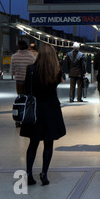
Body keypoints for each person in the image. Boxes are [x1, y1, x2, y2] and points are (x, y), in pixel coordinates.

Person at [20, 44, 66, 186]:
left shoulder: (31, 69)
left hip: (35, 109)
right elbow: (56, 84)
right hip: (51, 108)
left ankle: (28, 174)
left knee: (33, 143)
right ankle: (44, 174)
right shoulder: (56, 70)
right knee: (48, 142)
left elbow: (26, 88)